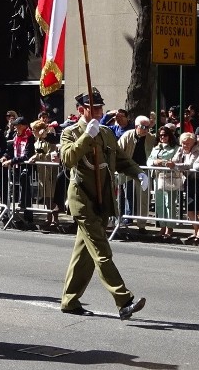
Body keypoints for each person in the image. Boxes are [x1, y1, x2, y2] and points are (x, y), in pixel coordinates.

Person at [59, 88, 149, 319]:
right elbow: (68, 159)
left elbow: (120, 159)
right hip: (82, 199)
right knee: (101, 250)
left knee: (84, 254)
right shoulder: (70, 133)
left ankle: (70, 301)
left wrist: (138, 173)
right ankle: (124, 300)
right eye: (94, 108)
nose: (99, 112)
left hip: (102, 199)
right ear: (81, 110)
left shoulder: (107, 133)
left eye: (100, 107)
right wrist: (86, 136)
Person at [117, 116, 155, 233]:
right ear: (136, 126)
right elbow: (118, 150)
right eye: (143, 127)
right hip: (127, 169)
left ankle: (141, 225)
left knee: (143, 198)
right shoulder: (127, 135)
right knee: (122, 195)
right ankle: (120, 221)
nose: (146, 130)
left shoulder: (151, 138)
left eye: (148, 127)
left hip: (143, 170)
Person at [148, 125, 181, 241]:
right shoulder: (156, 147)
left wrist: (162, 162)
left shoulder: (175, 148)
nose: (163, 137)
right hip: (157, 178)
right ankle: (162, 226)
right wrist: (155, 162)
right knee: (159, 202)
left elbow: (175, 161)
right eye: (160, 135)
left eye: (165, 135)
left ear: (169, 136)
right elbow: (149, 161)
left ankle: (170, 228)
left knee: (169, 203)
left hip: (169, 178)